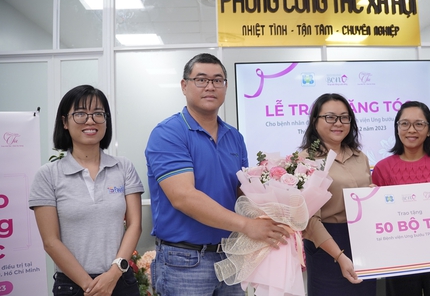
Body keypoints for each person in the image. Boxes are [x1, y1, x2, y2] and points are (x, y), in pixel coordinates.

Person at [145, 53, 289, 296]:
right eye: (201, 79)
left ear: (225, 86)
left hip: (232, 255)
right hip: (185, 261)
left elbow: (242, 194)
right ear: (184, 85)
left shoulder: (235, 137)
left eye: (217, 80)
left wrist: (282, 204)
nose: (210, 86)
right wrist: (247, 225)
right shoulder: (168, 133)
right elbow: (183, 197)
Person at [29, 85, 144, 296]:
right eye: (80, 113)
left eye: (98, 114)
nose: (90, 121)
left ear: (106, 121)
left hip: (120, 280)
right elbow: (51, 241)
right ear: (64, 122)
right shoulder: (48, 175)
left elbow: (135, 225)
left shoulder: (123, 167)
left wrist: (113, 274)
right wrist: (90, 286)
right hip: (73, 285)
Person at [371, 100, 430, 296]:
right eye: (404, 123)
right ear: (397, 128)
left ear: (429, 130)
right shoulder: (382, 168)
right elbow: (378, 217)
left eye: (419, 124)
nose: (411, 129)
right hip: (399, 259)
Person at [299, 93, 377, 296]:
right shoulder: (305, 160)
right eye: (330, 117)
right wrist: (339, 256)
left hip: (363, 243)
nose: (338, 123)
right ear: (315, 121)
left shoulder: (360, 157)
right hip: (326, 246)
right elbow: (309, 220)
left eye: (344, 117)